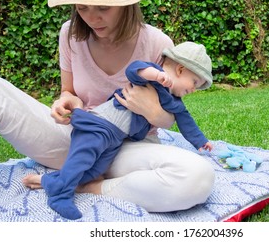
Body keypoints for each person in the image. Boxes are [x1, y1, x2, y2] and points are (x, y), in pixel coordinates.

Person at [0, 0, 215, 214]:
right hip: (78, 135)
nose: (91, 18)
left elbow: (169, 116)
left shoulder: (157, 42)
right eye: (82, 7)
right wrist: (66, 102)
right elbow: (69, 91)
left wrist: (152, 112)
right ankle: (77, 175)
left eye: (103, 7)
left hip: (128, 149)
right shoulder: (70, 34)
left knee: (198, 176)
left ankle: (83, 186)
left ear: (126, 4)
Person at [24, 42, 214, 219]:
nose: (194, 90)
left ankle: (52, 181)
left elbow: (186, 122)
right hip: (99, 125)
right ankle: (59, 197)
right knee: (81, 159)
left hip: (117, 139)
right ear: (180, 70)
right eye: (195, 83)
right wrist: (155, 75)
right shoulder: (154, 76)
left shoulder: (175, 102)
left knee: (96, 170)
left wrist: (200, 141)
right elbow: (134, 70)